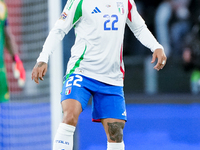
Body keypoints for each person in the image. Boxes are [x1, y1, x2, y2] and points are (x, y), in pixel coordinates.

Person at [31, 0, 167, 149]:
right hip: (82, 71)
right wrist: (43, 58)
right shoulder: (79, 2)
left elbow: (139, 28)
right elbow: (59, 29)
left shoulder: (125, 2)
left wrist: (156, 46)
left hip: (111, 78)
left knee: (115, 134)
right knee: (70, 115)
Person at [0, 0, 26, 103]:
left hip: (1, 72)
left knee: (3, 114)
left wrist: (16, 59)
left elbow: (7, 35)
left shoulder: (2, 6)